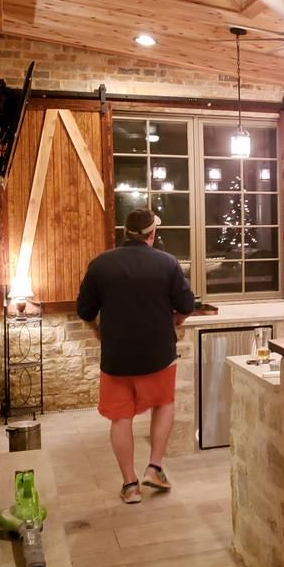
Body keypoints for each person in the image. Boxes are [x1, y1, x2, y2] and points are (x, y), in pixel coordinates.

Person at [76, 208, 195, 504]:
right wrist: (176, 321)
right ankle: (154, 468)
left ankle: (130, 486)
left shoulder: (101, 264)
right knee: (164, 404)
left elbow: (85, 310)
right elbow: (186, 305)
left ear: (125, 232)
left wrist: (97, 330)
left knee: (120, 418)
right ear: (151, 233)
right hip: (159, 353)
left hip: (117, 356)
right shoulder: (167, 263)